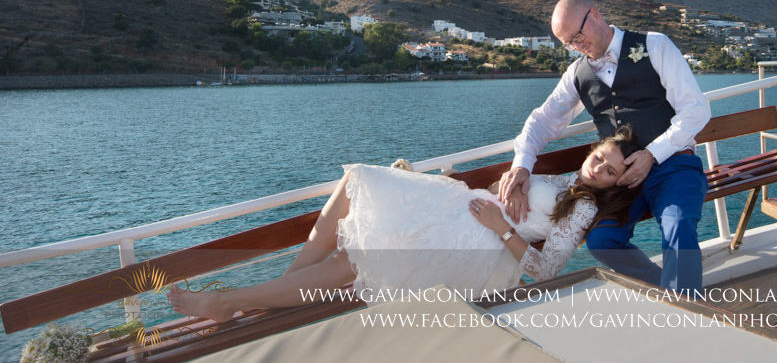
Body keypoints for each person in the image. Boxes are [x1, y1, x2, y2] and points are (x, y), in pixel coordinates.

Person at [167, 127, 644, 322]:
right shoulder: (564, 177)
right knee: (358, 182)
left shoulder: (584, 208)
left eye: (611, 169)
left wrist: (501, 226)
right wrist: (501, 182)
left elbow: (546, 271)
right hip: (458, 206)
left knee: (355, 259)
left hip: (474, 240)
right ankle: (279, 292)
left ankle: (228, 303)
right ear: (593, 150)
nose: (600, 167)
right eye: (601, 156)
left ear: (621, 179)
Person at [498, 0, 711, 292]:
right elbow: (542, 121)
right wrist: (522, 165)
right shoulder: (576, 74)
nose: (577, 45)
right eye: (568, 43)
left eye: (578, 35)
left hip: (672, 165)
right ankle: (664, 291)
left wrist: (652, 154)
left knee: (677, 224)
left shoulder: (654, 45)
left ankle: (687, 310)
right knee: (602, 240)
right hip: (618, 182)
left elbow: (696, 110)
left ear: (595, 15)